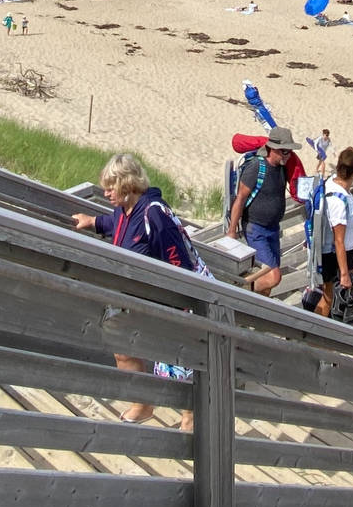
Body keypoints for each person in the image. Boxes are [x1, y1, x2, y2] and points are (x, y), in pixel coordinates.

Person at [70, 152, 208, 424]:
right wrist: (93, 222)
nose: (106, 192)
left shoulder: (154, 213)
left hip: (170, 297)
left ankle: (191, 416)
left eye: (111, 187)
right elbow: (115, 224)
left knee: (178, 360)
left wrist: (179, 303)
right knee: (122, 348)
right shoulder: (125, 209)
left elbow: (178, 260)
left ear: (128, 183)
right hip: (134, 295)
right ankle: (142, 403)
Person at [226, 125, 298, 295]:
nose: (289, 156)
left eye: (289, 152)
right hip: (255, 228)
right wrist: (231, 232)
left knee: (269, 282)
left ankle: (255, 309)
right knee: (273, 276)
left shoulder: (281, 168)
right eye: (285, 151)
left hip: (273, 229)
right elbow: (240, 199)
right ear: (273, 149)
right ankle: (238, 290)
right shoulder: (256, 168)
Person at [317, 146, 353, 319]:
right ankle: (308, 335)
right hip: (338, 257)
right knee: (330, 300)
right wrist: (344, 274)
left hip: (342, 256)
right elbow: (339, 241)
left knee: (338, 299)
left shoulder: (332, 183)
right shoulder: (338, 200)